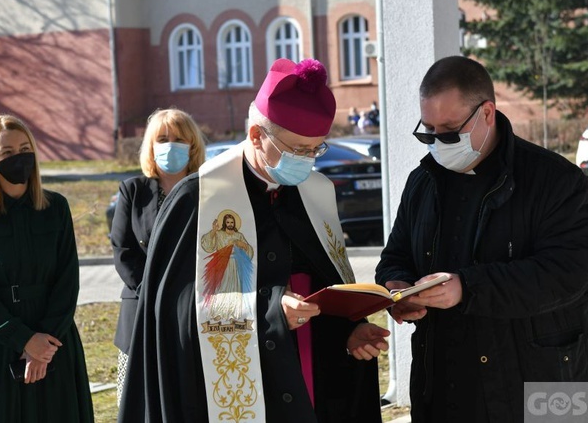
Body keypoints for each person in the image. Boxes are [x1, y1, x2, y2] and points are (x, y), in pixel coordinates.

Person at [119, 58, 389, 422]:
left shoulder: (314, 193)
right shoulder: (197, 199)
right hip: (236, 384)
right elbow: (173, 311)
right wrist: (269, 309)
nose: (307, 161)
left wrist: (350, 330)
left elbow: (327, 288)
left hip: (309, 374)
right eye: (296, 149)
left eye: (315, 149)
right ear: (256, 136)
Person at [375, 56, 588, 422]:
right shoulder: (423, 181)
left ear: (487, 113)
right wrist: (397, 287)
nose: (437, 143)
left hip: (538, 388)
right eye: (428, 132)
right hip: (446, 389)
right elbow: (397, 253)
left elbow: (565, 276)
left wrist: (467, 288)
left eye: (449, 132)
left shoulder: (554, 180)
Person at [0, 115, 94, 422]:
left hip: (53, 341)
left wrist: (41, 347)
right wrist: (23, 340)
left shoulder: (56, 208)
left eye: (24, 148)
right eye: (7, 153)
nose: (18, 158)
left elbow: (67, 281)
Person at [110, 108, 206, 403]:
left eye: (179, 138)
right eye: (162, 138)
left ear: (192, 145)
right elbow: (123, 250)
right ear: (151, 146)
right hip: (141, 309)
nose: (170, 144)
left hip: (191, 313)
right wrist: (154, 294)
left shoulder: (208, 189)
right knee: (138, 402)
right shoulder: (133, 190)